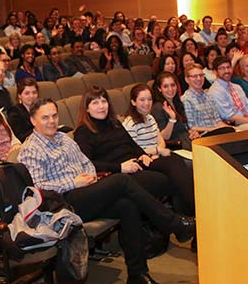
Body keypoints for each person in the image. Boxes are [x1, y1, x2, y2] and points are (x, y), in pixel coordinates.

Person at [19, 99, 195, 284]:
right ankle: (174, 223)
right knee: (121, 181)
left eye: (54, 116)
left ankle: (137, 274)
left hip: (86, 191)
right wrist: (73, 182)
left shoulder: (64, 138)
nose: (51, 121)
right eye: (45, 117)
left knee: (127, 205)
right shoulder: (30, 149)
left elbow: (87, 163)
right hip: (61, 203)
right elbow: (36, 188)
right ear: (33, 121)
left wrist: (90, 176)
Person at [75, 86, 195, 217]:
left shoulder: (114, 123)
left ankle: (194, 213)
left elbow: (132, 144)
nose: (101, 106)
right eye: (95, 103)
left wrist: (142, 154)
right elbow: (88, 164)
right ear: (86, 108)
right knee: (166, 179)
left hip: (137, 163)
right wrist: (120, 167)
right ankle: (189, 219)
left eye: (104, 101)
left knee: (174, 161)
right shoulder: (83, 132)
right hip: (119, 174)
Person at [207, 56, 248, 126]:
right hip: (234, 127)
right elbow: (230, 118)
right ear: (215, 71)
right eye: (222, 68)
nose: (226, 71)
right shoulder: (215, 91)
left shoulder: (237, 87)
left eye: (228, 67)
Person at [180, 64, 235, 137]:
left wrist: (232, 128)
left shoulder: (209, 96)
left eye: (201, 75)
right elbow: (191, 127)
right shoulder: (186, 99)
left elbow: (218, 121)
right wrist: (214, 129)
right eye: (195, 76)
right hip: (202, 136)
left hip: (217, 132)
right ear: (187, 79)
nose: (199, 79)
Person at [151, 71, 194, 150]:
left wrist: (192, 132)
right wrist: (172, 119)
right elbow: (164, 137)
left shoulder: (177, 102)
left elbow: (183, 127)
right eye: (166, 86)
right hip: (175, 146)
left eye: (173, 85)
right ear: (159, 89)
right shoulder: (158, 108)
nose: (170, 89)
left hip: (187, 141)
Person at [5, 77, 39, 142]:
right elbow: (21, 137)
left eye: (34, 92)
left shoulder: (41, 108)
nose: (31, 96)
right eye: (27, 93)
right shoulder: (14, 112)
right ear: (19, 95)